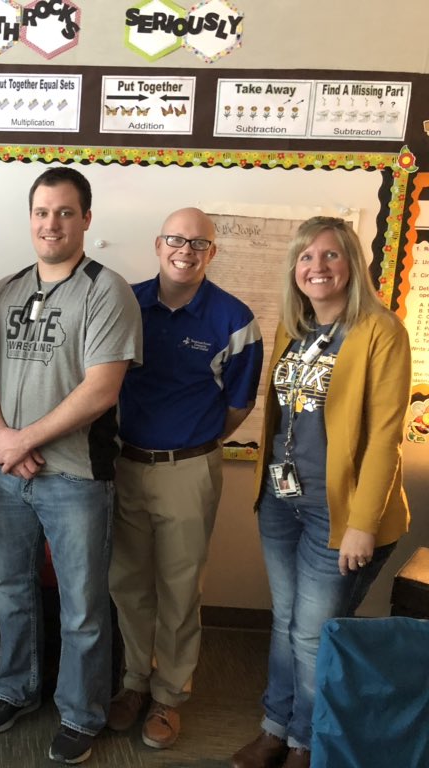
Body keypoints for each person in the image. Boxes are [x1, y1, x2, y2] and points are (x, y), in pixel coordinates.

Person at [0, 167, 142, 765]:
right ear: (29, 218)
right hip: (7, 473)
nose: (52, 223)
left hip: (76, 478)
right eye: (42, 212)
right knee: (10, 589)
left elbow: (101, 389)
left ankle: (79, 712)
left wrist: (23, 441)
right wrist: (1, 437)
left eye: (66, 212)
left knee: (83, 605)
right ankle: (15, 688)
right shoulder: (6, 288)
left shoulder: (106, 289)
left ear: (86, 219)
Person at [231, 217, 410, 768]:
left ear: (352, 264)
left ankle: (306, 744)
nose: (318, 267)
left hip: (341, 515)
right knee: (285, 622)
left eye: (331, 256)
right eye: (306, 257)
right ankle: (274, 727)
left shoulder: (380, 332)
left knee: (311, 636)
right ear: (295, 270)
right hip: (283, 505)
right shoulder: (295, 329)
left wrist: (361, 522)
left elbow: (385, 437)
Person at [108, 208, 263, 749]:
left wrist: (190, 441)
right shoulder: (123, 301)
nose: (186, 250)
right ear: (158, 244)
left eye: (199, 243)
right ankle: (133, 682)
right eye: (176, 239)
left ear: (212, 252)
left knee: (179, 589)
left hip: (189, 468)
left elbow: (238, 408)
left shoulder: (235, 320)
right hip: (124, 463)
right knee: (127, 583)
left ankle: (169, 697)